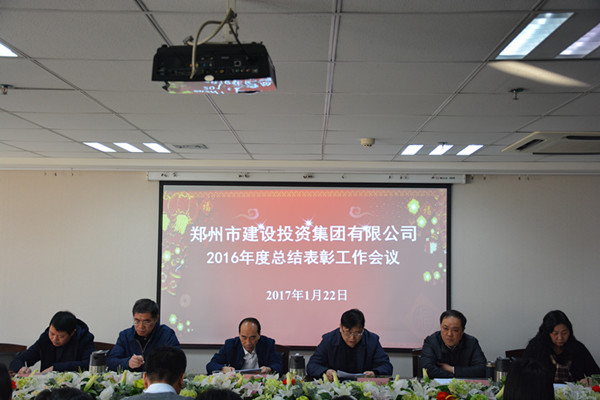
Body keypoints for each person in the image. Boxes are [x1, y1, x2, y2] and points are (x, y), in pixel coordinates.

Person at [306, 308, 393, 380]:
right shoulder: (329, 340)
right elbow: (312, 365)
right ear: (341, 327)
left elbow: (386, 366)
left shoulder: (372, 340)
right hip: (335, 387)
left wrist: (374, 373)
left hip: (364, 388)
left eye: (357, 333)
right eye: (348, 332)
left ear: (363, 329)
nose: (352, 338)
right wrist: (325, 372)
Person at [522, 310, 600, 382]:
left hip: (574, 391)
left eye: (564, 333)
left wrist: (589, 380)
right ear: (547, 333)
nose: (560, 338)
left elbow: (596, 374)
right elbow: (523, 375)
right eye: (555, 333)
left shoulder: (578, 348)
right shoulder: (535, 347)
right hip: (544, 391)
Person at [10, 311, 95, 374]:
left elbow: (88, 364)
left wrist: (56, 368)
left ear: (72, 333)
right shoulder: (45, 338)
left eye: (61, 336)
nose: (54, 339)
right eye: (52, 333)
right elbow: (19, 359)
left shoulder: (85, 339)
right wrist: (21, 368)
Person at [107, 298, 180, 372]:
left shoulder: (166, 334)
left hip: (157, 377)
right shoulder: (125, 336)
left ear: (156, 319)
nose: (141, 326)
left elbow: (178, 361)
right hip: (131, 379)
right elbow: (111, 361)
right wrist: (128, 363)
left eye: (146, 322)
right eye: (137, 321)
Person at [420, 309, 486, 378]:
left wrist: (452, 369)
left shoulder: (471, 342)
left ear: (462, 331)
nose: (449, 334)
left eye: (455, 330)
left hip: (465, 384)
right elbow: (427, 369)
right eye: (445, 328)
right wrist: (456, 376)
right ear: (441, 327)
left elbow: (482, 369)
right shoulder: (431, 341)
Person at [206, 317, 283, 375]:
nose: (248, 342)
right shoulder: (230, 345)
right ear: (239, 335)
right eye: (244, 337)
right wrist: (223, 368)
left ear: (259, 335)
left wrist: (269, 369)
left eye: (252, 337)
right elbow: (211, 365)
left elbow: (278, 366)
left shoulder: (268, 344)